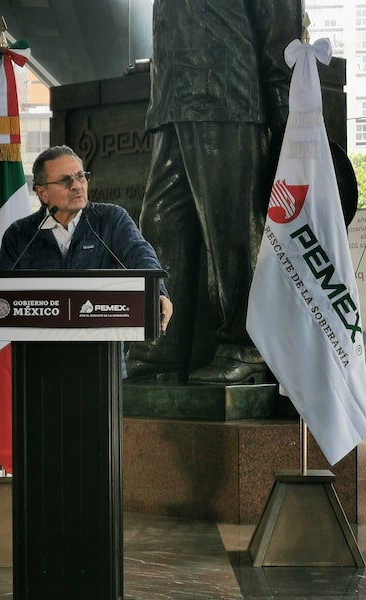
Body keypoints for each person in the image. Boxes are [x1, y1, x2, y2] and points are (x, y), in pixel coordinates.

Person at [125, 0, 302, 384]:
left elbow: (280, 24)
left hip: (227, 95)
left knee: (232, 231)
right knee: (159, 227)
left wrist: (283, 106)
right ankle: (159, 352)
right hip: (172, 102)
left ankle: (249, 344)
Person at [0, 145, 173, 334]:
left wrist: (157, 293)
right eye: (65, 180)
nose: (76, 185)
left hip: (102, 347)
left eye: (80, 176)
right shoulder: (19, 234)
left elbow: (141, 256)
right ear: (42, 193)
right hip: (37, 351)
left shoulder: (110, 219)